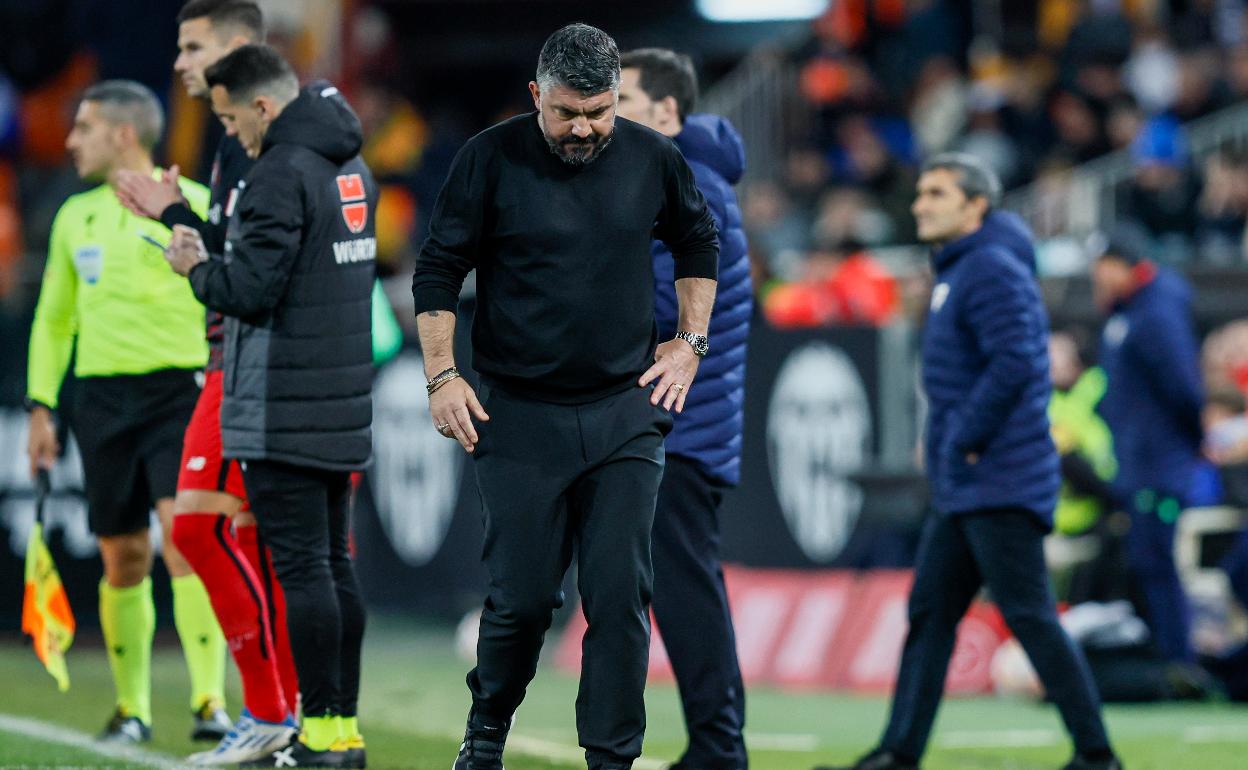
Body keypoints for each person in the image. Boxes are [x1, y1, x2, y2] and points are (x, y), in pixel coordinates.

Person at [412, 23, 719, 770]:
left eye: (599, 111)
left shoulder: (653, 157)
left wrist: (689, 342)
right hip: (516, 415)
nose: (583, 127)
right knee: (521, 602)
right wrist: (443, 376)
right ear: (535, 97)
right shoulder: (487, 159)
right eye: (566, 112)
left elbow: (698, 240)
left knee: (618, 598)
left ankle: (611, 760)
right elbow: (437, 270)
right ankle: (486, 732)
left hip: (623, 414)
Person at [816, 153, 1120, 770]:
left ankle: (1097, 755)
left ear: (975, 205)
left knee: (1030, 617)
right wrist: (954, 442)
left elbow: (1019, 364)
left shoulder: (990, 268)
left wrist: (964, 437)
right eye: (921, 191)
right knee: (931, 616)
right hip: (969, 482)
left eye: (936, 193)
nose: (920, 203)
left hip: (999, 479)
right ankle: (898, 754)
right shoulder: (962, 267)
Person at [164, 44, 377, 768]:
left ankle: (315, 736)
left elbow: (251, 291)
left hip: (283, 401)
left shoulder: (280, 169)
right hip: (342, 397)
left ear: (261, 105)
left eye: (232, 118)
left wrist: (196, 267)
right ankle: (341, 733)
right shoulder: (351, 162)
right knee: (335, 570)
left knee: (304, 572)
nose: (236, 136)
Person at [112, 2, 301, 762]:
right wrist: (185, 219)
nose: (182, 61)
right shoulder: (234, 140)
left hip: (255, 361)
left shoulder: (273, 142)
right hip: (236, 356)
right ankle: (283, 715)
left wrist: (186, 235)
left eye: (194, 47)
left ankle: (282, 712)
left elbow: (263, 268)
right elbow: (242, 245)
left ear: (238, 47)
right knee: (243, 540)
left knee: (201, 530)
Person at [25, 80, 228, 744]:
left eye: (82, 126)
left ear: (122, 134)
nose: (69, 139)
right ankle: (132, 707)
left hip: (180, 392)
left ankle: (208, 701)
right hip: (102, 400)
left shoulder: (194, 205)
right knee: (126, 558)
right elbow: (54, 320)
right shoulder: (72, 216)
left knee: (187, 543)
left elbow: (230, 296)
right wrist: (41, 408)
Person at [616, 47, 749, 770]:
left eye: (624, 101)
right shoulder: (686, 180)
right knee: (683, 589)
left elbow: (667, 305)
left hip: (681, 422)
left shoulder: (689, 186)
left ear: (667, 112)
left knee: (686, 592)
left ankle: (719, 749)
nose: (606, 117)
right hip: (679, 419)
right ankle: (717, 745)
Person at [1093, 233, 1204, 664]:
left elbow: (1183, 388)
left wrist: (1187, 445)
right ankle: (1166, 659)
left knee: (1158, 561)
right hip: (1140, 460)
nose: (1096, 279)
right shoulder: (1129, 312)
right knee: (1147, 561)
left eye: (1101, 267)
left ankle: (1180, 664)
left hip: (1159, 464)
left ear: (1122, 263)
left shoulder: (1155, 313)